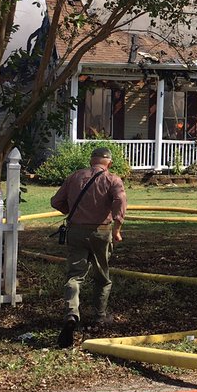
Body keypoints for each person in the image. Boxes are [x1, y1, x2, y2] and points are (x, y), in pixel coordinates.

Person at [51, 146, 127, 347]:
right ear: (108, 163)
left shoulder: (75, 177)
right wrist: (117, 229)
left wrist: (72, 212)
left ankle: (71, 314)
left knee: (75, 275)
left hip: (75, 231)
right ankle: (99, 316)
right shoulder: (113, 179)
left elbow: (56, 201)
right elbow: (120, 201)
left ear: (91, 161)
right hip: (101, 231)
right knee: (102, 275)